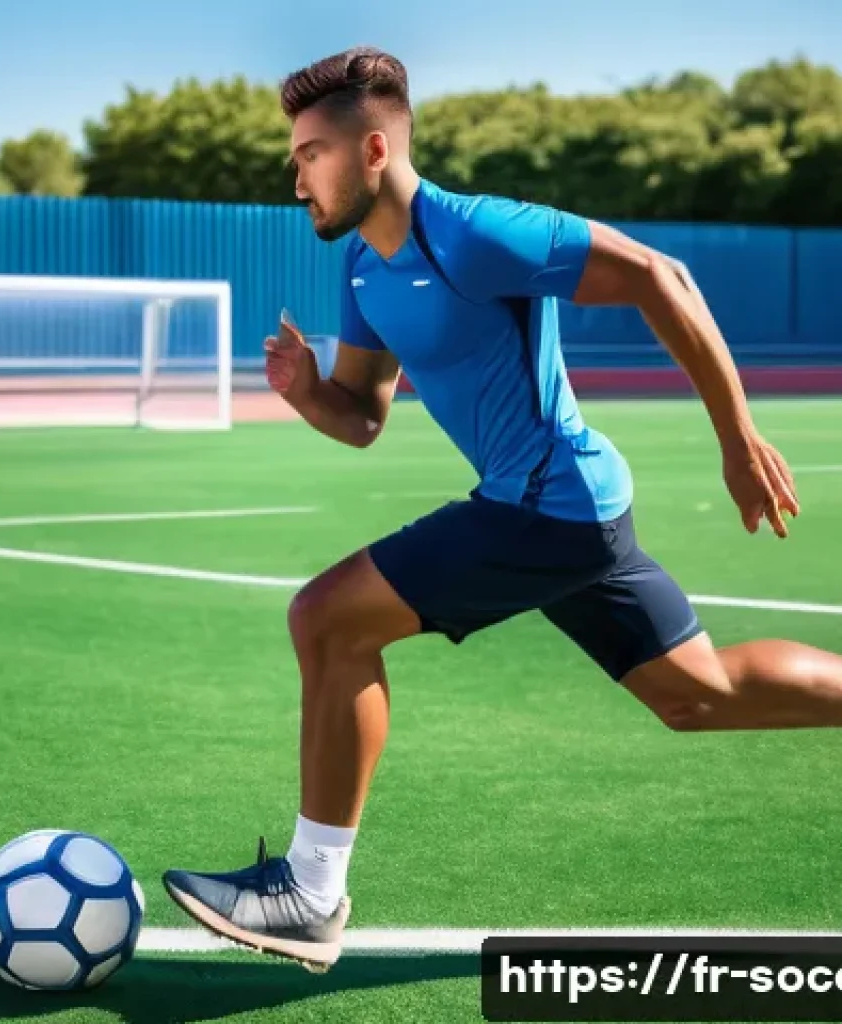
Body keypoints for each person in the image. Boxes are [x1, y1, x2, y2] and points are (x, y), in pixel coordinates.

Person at [162, 46, 842, 973]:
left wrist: (738, 437)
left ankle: (310, 895)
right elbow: (363, 418)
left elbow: (661, 274)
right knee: (696, 696)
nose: (296, 179)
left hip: (547, 506)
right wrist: (308, 391)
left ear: (373, 150)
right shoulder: (362, 267)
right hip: (567, 512)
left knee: (326, 619)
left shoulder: (476, 233)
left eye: (311, 154)